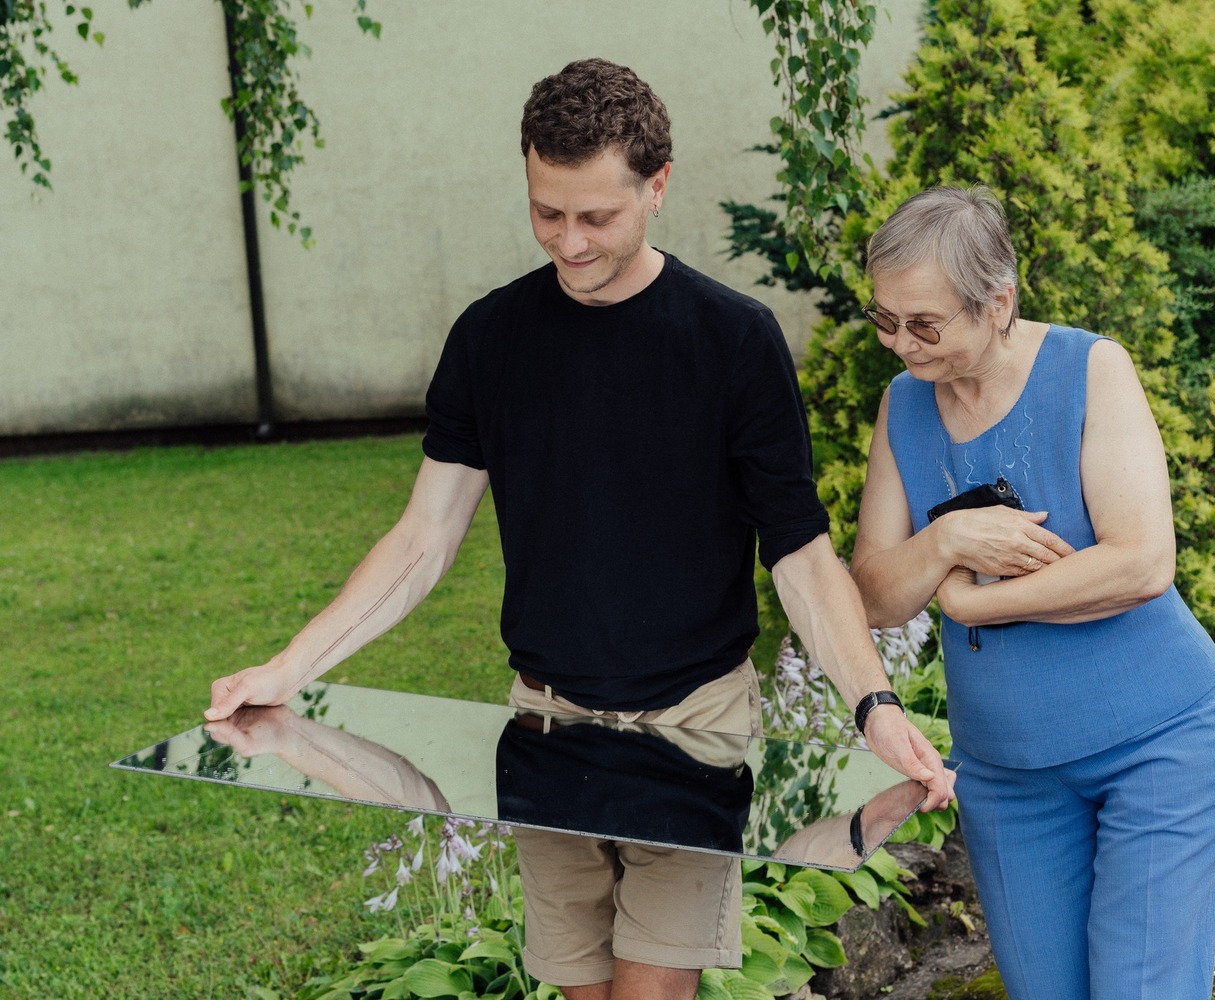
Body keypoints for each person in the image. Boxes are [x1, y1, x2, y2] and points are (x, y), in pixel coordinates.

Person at [204, 58, 953, 1000]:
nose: (570, 242)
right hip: (546, 728)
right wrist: (287, 670)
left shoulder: (733, 340)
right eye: (546, 212)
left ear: (658, 185)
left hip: (696, 731)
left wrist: (875, 707)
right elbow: (422, 540)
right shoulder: (490, 338)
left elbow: (799, 557)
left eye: (596, 216)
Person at [849, 185, 1215, 1000]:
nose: (901, 344)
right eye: (886, 319)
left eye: (925, 324)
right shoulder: (903, 407)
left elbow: (1141, 564)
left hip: (1156, 747)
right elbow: (877, 596)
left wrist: (968, 602)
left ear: (998, 303)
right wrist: (947, 540)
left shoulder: (1090, 369)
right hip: (1006, 774)